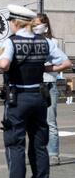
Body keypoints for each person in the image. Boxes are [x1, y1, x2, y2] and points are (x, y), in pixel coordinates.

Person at [0, 4, 72, 178]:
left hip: (18, 97)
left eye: (10, 22)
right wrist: (45, 67)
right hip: (39, 97)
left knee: (15, 146)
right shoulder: (44, 42)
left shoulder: (12, 42)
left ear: (15, 23)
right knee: (39, 146)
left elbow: (4, 64)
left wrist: (6, 60)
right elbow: (66, 63)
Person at [33, 14, 61, 166]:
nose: (36, 27)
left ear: (45, 25)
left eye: (38, 24)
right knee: (35, 122)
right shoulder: (30, 41)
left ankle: (54, 154)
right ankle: (37, 154)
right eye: (34, 24)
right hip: (34, 84)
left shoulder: (53, 42)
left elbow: (61, 63)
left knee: (50, 121)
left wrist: (43, 66)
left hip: (49, 84)